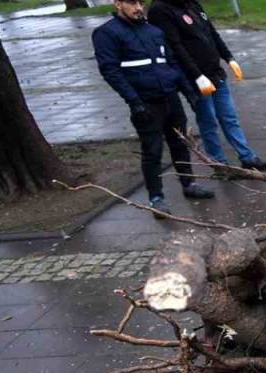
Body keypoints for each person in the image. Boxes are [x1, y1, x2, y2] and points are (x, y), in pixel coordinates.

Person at [92, 0, 215, 214]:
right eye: (132, 3)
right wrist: (134, 101)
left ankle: (189, 184)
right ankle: (156, 197)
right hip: (146, 103)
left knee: (180, 143)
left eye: (140, 2)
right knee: (152, 150)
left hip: (170, 98)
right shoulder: (106, 33)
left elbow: (172, 64)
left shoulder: (153, 31)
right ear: (118, 3)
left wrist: (188, 94)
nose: (138, 7)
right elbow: (110, 71)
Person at [148, 0, 266, 171]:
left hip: (215, 72)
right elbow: (175, 47)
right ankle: (219, 165)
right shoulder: (160, 10)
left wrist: (229, 57)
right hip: (195, 78)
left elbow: (212, 32)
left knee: (229, 118)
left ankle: (248, 158)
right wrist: (197, 76)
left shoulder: (191, 4)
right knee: (208, 121)